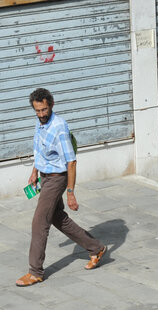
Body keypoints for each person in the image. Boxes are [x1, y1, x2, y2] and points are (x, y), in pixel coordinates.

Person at [16, 87, 107, 287]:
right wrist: (34, 171)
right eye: (37, 111)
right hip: (45, 176)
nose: (41, 115)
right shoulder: (40, 123)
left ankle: (35, 272)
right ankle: (96, 248)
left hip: (57, 179)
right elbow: (39, 150)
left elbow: (71, 162)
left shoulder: (59, 128)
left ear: (52, 105)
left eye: (44, 110)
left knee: (39, 223)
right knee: (58, 218)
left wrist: (71, 193)